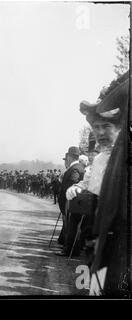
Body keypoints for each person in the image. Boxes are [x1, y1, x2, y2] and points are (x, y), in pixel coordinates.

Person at [66, 74, 129, 295]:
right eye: (97, 127)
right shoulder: (101, 159)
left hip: (123, 241)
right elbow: (94, 191)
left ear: (121, 127)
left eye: (106, 127)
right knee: (95, 287)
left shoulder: (124, 158)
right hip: (100, 237)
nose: (100, 133)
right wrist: (80, 188)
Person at [55, 146, 85, 256]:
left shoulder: (75, 168)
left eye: (67, 156)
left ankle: (69, 251)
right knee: (71, 226)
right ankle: (70, 249)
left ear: (69, 157)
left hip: (71, 202)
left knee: (70, 226)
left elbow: (73, 182)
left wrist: (66, 192)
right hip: (72, 203)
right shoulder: (78, 167)